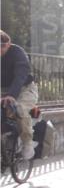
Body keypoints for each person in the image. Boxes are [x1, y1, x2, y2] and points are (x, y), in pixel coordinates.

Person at [0, 31, 39, 160]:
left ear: (9, 44)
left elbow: (20, 75)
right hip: (3, 90)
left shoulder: (18, 53)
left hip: (25, 89)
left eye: (2, 46)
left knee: (19, 108)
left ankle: (27, 143)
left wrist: (11, 95)